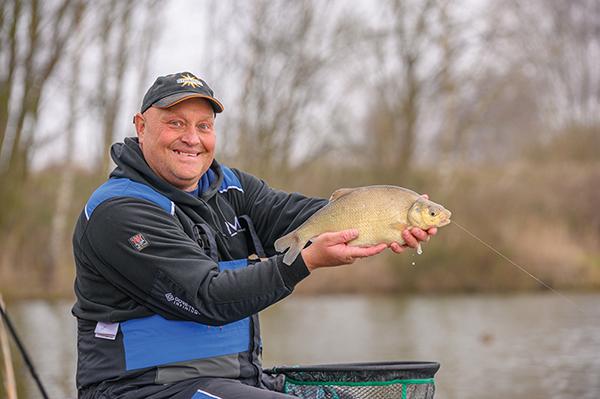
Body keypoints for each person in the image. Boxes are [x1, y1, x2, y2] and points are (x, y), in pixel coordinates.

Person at [71, 72, 436, 399]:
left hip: (235, 381)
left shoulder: (230, 187)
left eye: (204, 126)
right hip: (139, 388)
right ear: (141, 126)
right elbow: (207, 298)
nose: (191, 139)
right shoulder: (119, 212)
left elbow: (304, 215)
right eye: (175, 123)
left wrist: (389, 214)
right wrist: (303, 263)